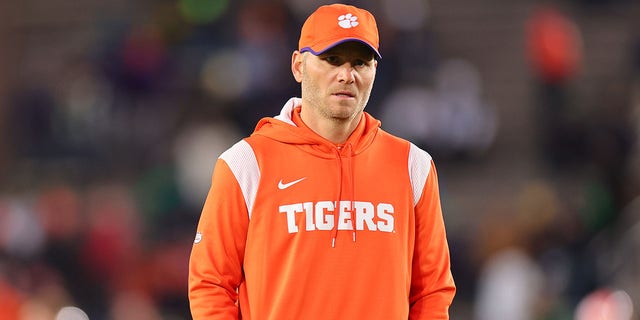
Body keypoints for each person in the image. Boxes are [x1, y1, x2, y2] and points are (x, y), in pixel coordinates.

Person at [188, 3, 456, 319]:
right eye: (331, 60)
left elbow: (432, 291)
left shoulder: (413, 165)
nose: (346, 75)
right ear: (299, 66)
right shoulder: (246, 163)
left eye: (360, 62)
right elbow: (211, 283)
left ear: (374, 71)